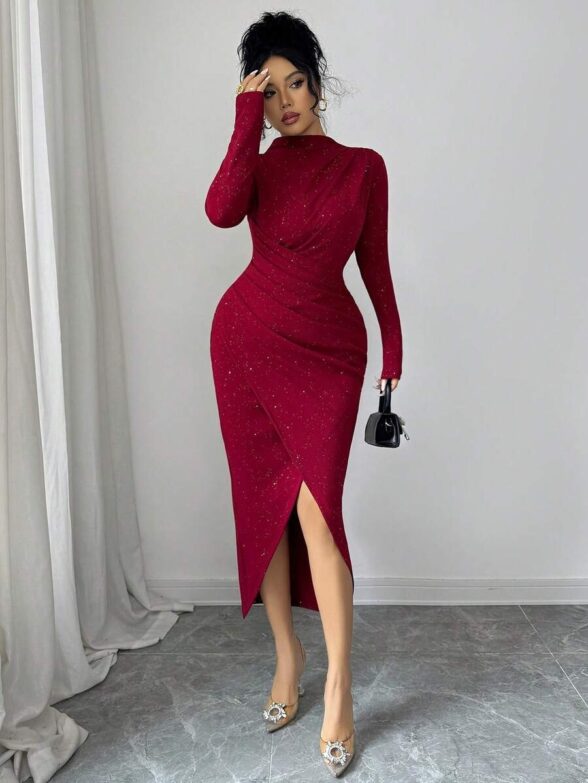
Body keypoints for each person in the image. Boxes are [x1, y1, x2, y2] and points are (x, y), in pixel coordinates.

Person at [205, 10, 403, 777]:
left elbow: (375, 267)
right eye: (269, 91)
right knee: (266, 506)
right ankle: (288, 656)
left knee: (320, 512)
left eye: (295, 83)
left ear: (317, 82)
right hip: (247, 346)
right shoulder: (255, 164)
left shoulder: (363, 167)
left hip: (329, 356)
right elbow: (220, 211)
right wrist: (240, 123)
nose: (285, 101)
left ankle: (340, 687)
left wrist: (394, 350)